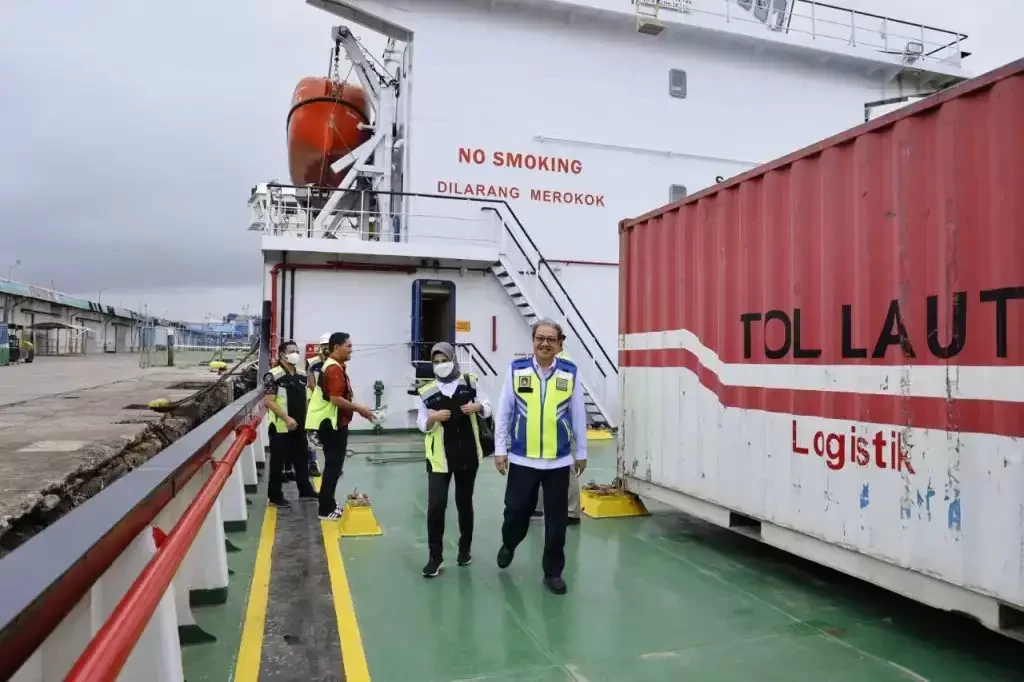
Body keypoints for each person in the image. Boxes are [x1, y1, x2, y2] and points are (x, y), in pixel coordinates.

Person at [493, 319, 587, 595]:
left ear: (559, 344)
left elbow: (578, 415)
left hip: (558, 461)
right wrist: (501, 450)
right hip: (523, 459)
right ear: (533, 341)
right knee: (515, 513)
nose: (544, 343)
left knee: (557, 522)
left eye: (551, 339)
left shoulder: (569, 373)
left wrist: (580, 452)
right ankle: (509, 542)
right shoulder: (516, 370)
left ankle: (553, 572)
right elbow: (505, 412)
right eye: (539, 338)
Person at [415, 342, 492, 578]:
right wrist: (432, 419)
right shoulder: (427, 391)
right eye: (436, 362)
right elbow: (421, 423)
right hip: (439, 458)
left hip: (468, 454)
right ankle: (435, 557)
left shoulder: (469, 382)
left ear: (453, 360)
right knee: (436, 506)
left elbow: (488, 407)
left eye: (444, 361)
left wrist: (478, 406)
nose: (440, 366)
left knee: (464, 503)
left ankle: (465, 550)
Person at [306, 331, 375, 520]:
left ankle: (328, 504)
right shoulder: (334, 369)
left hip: (330, 422)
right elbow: (336, 399)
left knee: (333, 465)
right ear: (336, 347)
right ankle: (325, 509)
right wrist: (360, 409)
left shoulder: (333, 366)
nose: (351, 349)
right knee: (333, 466)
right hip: (331, 423)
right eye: (348, 346)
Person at [263, 340, 317, 508]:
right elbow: (268, 402)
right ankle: (275, 495)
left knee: (301, 460)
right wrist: (286, 418)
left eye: (296, 351)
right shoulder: (273, 376)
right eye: (292, 351)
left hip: (299, 426)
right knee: (277, 464)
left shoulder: (301, 375)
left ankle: (305, 490)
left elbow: (311, 394)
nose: (295, 354)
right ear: (282, 355)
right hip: (281, 428)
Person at [303, 333, 333, 478]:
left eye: (329, 345)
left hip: (331, 403)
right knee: (312, 433)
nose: (327, 348)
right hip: (315, 402)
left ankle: (332, 464)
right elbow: (311, 383)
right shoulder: (312, 362)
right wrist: (320, 398)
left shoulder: (336, 362)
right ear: (321, 347)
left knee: (331, 433)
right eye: (324, 346)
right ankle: (312, 463)